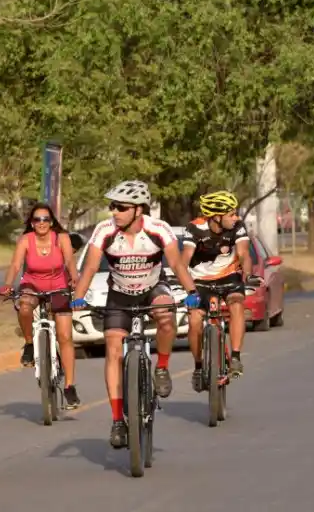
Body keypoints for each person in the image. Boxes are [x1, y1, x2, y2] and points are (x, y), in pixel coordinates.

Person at [70, 180, 201, 449]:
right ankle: (118, 420)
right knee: (114, 348)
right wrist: (78, 298)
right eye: (112, 206)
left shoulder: (158, 229)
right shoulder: (104, 231)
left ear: (139, 210)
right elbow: (91, 267)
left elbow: (175, 263)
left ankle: (162, 367)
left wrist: (191, 291)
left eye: (120, 207)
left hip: (153, 287)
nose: (114, 212)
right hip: (119, 293)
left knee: (166, 316)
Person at [0, 203, 81, 408]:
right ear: (32, 223)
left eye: (45, 219)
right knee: (24, 306)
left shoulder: (61, 238)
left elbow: (70, 261)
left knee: (65, 337)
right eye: (37, 220)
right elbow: (16, 265)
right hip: (32, 284)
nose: (41, 223)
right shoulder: (26, 240)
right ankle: (29, 343)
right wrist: (8, 284)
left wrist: (74, 279)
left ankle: (70, 387)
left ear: (51, 222)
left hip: (58, 285)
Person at [182, 191, 262, 392]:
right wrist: (181, 279)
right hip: (200, 280)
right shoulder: (194, 228)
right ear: (216, 216)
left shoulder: (237, 227)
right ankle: (199, 366)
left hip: (229, 277)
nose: (236, 218)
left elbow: (243, 253)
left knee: (236, 303)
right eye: (231, 214)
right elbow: (184, 258)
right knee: (194, 320)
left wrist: (248, 274)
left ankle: (235, 357)